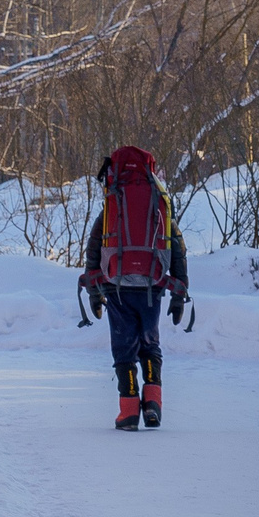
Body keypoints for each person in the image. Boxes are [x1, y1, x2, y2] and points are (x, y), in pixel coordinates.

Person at [83, 145, 188, 431]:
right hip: (153, 286)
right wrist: (179, 294)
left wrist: (94, 291)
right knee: (150, 343)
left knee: (123, 347)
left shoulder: (112, 205)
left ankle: (128, 411)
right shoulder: (159, 202)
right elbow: (177, 247)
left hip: (116, 287)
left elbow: (94, 248)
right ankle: (153, 404)